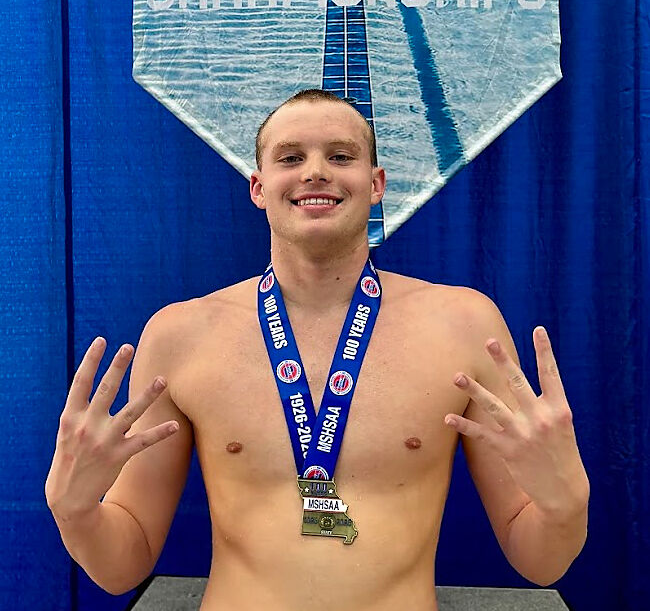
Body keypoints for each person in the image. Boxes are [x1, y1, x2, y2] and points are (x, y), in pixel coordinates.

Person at [45, 88, 590, 611]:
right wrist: (75, 510)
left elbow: (539, 563)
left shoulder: (464, 325)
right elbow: (123, 566)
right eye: (290, 157)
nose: (315, 171)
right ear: (258, 187)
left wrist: (565, 502)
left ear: (376, 183)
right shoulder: (180, 335)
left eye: (340, 155)